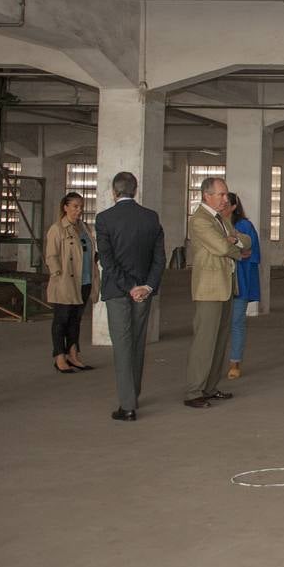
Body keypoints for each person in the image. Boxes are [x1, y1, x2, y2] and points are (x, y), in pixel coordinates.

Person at [94, 172, 165, 422]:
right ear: (135, 190)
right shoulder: (151, 218)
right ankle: (133, 393)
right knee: (137, 342)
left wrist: (129, 287)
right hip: (143, 292)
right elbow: (159, 259)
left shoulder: (104, 219)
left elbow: (107, 261)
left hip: (118, 291)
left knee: (123, 345)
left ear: (114, 192)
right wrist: (145, 286)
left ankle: (127, 406)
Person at [184, 176, 250, 409]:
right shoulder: (200, 220)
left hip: (225, 286)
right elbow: (222, 247)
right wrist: (233, 245)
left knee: (220, 340)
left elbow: (246, 240)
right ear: (207, 195)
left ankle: (210, 387)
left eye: (226, 194)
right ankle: (194, 391)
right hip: (209, 289)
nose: (225, 199)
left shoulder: (220, 219)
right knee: (205, 341)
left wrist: (232, 240)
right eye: (221, 195)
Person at [44, 191, 99, 374]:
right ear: (65, 207)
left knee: (76, 320)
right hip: (65, 282)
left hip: (84, 282)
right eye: (75, 206)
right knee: (61, 320)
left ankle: (73, 354)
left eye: (81, 207)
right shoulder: (57, 229)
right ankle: (59, 357)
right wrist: (58, 274)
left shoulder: (84, 228)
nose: (79, 210)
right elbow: (51, 255)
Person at [225, 191, 261, 380]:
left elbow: (249, 253)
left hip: (240, 282)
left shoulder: (244, 226)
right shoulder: (214, 225)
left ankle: (234, 362)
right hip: (219, 282)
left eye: (225, 203)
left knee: (236, 322)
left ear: (233, 207)